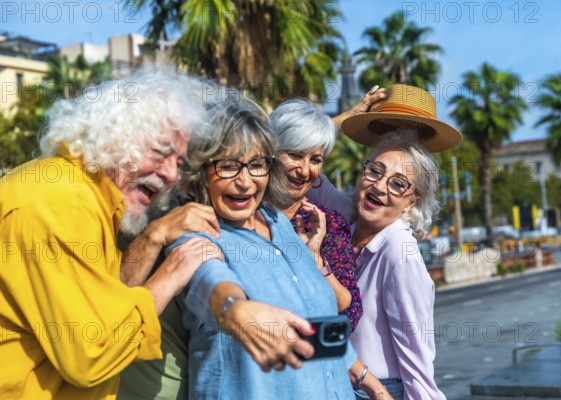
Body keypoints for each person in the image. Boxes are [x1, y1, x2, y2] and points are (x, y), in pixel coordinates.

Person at [0, 67, 224, 399]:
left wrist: (155, 236)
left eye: (179, 161)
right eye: (161, 153)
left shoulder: (81, 194)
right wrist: (171, 274)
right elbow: (90, 356)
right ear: (113, 136)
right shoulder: (61, 201)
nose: (170, 175)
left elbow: (101, 310)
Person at [170, 100, 357, 399]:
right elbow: (210, 279)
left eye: (256, 165)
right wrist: (234, 308)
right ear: (200, 172)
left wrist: (364, 376)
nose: (245, 182)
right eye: (228, 166)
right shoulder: (198, 232)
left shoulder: (279, 223)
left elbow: (317, 319)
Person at [309, 84, 462, 400]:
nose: (380, 187)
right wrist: (346, 118)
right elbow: (303, 164)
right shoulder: (348, 217)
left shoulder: (399, 252)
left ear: (412, 201)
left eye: (398, 184)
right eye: (374, 171)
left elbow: (418, 362)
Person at [267, 98, 362, 331]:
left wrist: (316, 262)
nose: (305, 170)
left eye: (316, 160)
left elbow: (351, 315)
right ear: (269, 151)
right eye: (295, 155)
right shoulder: (241, 211)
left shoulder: (328, 223)